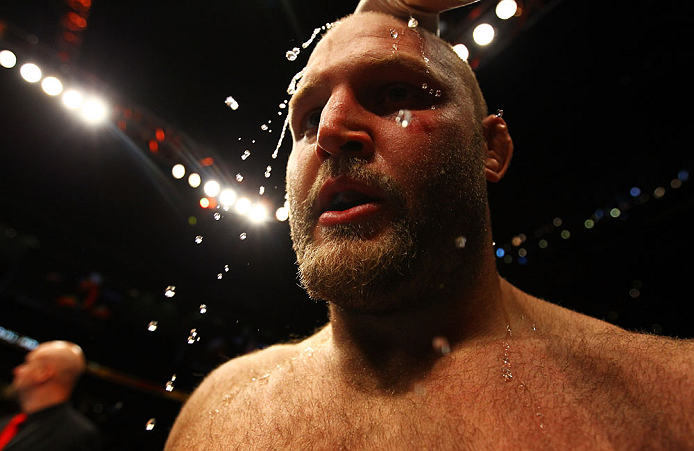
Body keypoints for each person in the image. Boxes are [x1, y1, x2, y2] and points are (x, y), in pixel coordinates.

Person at [165, 1, 694, 449]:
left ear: (491, 148)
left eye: (396, 93)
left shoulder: (673, 399)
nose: (329, 131)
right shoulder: (218, 415)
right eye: (306, 116)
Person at [0, 341, 101, 451]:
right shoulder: (9, 422)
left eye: (27, 363)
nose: (17, 371)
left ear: (44, 373)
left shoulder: (75, 436)